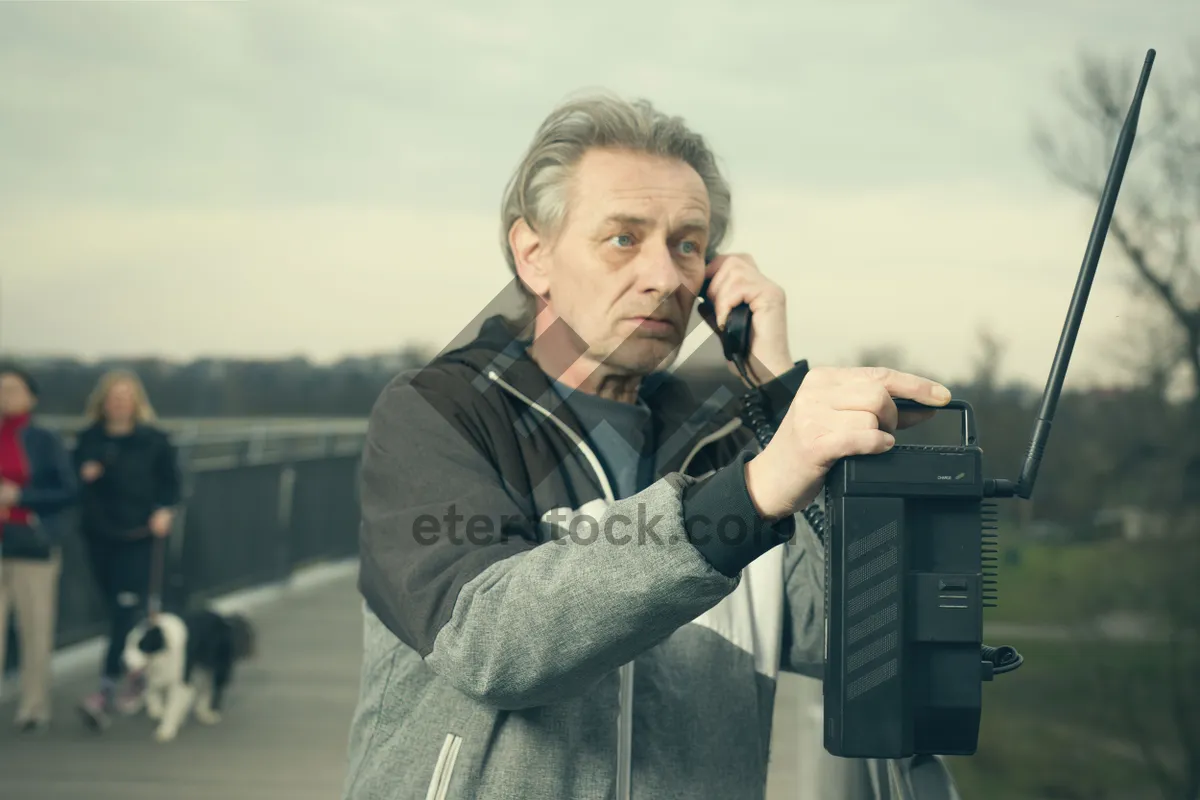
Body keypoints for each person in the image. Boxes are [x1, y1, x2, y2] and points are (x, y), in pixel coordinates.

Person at [341, 92, 961, 800]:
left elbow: (846, 639)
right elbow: (489, 647)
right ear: (534, 255)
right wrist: (748, 497)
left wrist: (779, 394)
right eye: (624, 238)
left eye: (688, 244)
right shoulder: (438, 414)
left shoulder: (734, 438)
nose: (666, 277)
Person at [73, 369, 181, 731]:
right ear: (103, 403)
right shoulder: (88, 440)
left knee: (126, 609)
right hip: (100, 536)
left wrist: (164, 510)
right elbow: (69, 481)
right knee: (117, 609)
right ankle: (136, 674)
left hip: (140, 536)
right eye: (113, 397)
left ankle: (105, 689)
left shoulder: (153, 440)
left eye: (126, 397)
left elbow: (172, 482)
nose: (119, 403)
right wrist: (83, 473)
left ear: (136, 402)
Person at [0, 364, 77, 732]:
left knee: (34, 628)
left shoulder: (44, 439)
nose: (6, 397)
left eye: (13, 390)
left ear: (31, 397)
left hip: (31, 544)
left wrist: (21, 496)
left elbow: (67, 490)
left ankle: (33, 707)